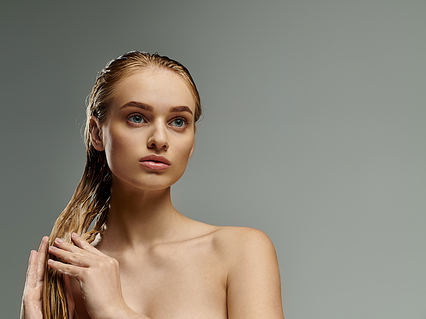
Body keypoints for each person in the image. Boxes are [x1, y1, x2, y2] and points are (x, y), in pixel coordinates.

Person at [21, 51, 284, 319]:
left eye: (178, 122)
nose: (160, 139)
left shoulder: (240, 252)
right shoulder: (69, 273)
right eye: (137, 117)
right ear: (97, 133)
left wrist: (115, 311)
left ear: (192, 141)